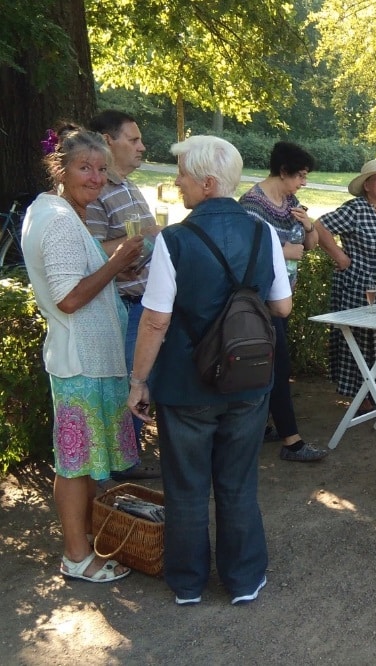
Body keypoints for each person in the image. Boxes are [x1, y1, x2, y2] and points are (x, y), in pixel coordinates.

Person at [126, 136, 292, 606]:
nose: (176, 182)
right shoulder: (265, 233)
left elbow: (156, 320)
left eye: (181, 174)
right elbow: (282, 305)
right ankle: (243, 580)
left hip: (186, 383)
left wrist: (138, 381)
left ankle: (187, 582)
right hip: (249, 377)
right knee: (238, 483)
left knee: (186, 486)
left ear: (207, 182)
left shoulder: (175, 240)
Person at [21, 127, 145, 582]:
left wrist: (114, 266)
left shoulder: (61, 213)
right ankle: (76, 556)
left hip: (87, 360)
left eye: (99, 169)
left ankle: (87, 546)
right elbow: (69, 299)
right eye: (83, 168)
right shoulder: (57, 220)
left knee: (84, 462)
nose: (94, 178)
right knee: (74, 465)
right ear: (60, 169)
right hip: (80, 364)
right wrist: (116, 263)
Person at [239, 141, 327, 462]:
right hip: (261, 301)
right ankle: (292, 441)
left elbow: (311, 245)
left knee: (269, 364)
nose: (303, 182)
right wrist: (285, 250)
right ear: (283, 171)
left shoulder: (291, 201)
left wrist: (307, 228)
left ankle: (263, 426)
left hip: (282, 297)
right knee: (278, 364)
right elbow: (246, 249)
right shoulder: (253, 203)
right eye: (300, 175)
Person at [85, 110, 161, 480]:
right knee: (129, 383)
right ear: (106, 140)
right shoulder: (96, 192)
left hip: (144, 302)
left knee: (140, 382)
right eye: (133, 139)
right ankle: (120, 468)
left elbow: (144, 240)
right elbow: (93, 252)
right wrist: (141, 242)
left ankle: (126, 459)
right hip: (125, 305)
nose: (141, 146)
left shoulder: (128, 185)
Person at [316, 159, 376, 411]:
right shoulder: (355, 209)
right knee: (364, 342)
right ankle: (363, 397)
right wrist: (340, 257)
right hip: (361, 288)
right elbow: (319, 226)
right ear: (367, 185)